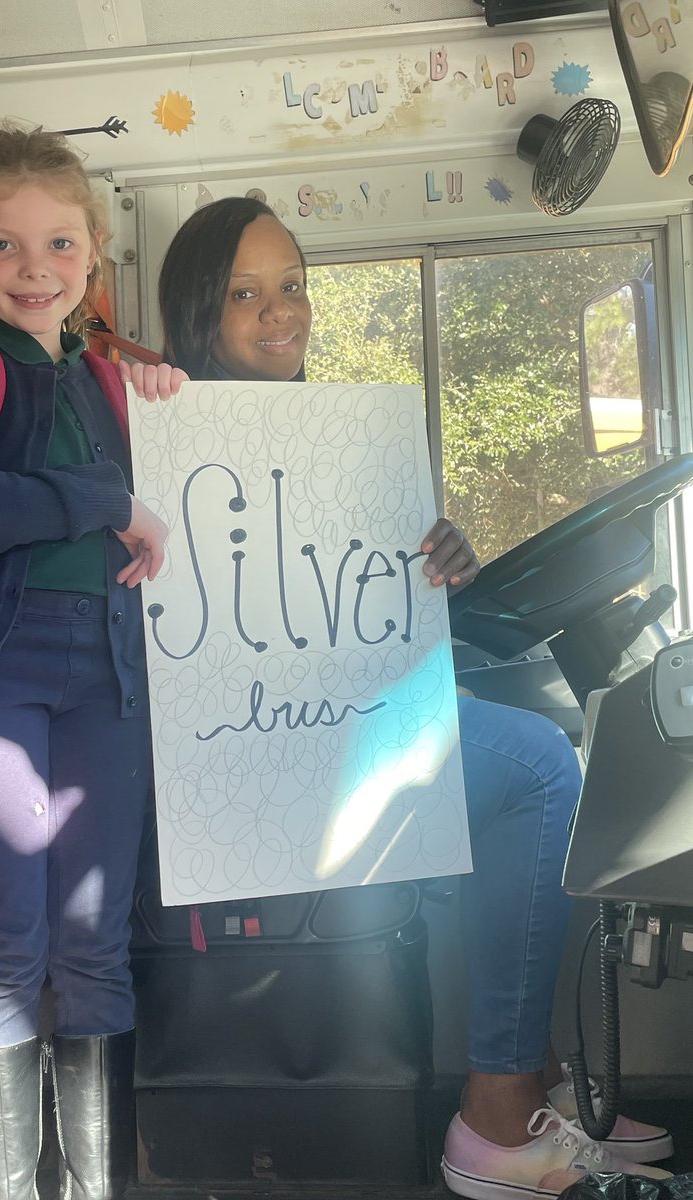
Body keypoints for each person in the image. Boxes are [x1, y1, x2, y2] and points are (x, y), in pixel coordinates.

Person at [132, 196, 674, 1200]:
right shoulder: (163, 430)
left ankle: (541, 1083)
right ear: (198, 316)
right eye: (245, 294)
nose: (280, 311)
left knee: (539, 745)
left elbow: (365, 602)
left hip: (347, 716)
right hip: (255, 748)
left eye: (292, 285)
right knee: (545, 773)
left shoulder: (340, 438)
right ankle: (499, 1113)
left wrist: (440, 558)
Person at [0, 124, 169, 1200]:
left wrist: (176, 411)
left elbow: (192, 492)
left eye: (58, 244)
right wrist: (110, 498)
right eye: (3, 247)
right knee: (9, 944)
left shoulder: (113, 375)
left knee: (97, 945)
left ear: (94, 249)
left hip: (105, 673)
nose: (34, 269)